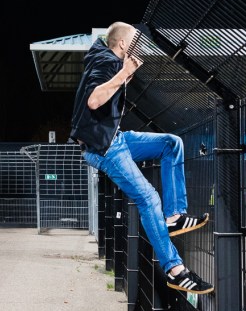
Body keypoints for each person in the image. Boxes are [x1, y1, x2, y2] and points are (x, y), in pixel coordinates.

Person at [70, 22, 213, 295]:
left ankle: (174, 216)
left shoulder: (104, 59)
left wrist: (125, 76)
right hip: (105, 148)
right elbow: (94, 100)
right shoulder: (107, 62)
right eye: (135, 41)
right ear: (123, 44)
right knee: (148, 198)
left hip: (116, 138)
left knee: (172, 144)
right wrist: (123, 72)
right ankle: (176, 271)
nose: (139, 47)